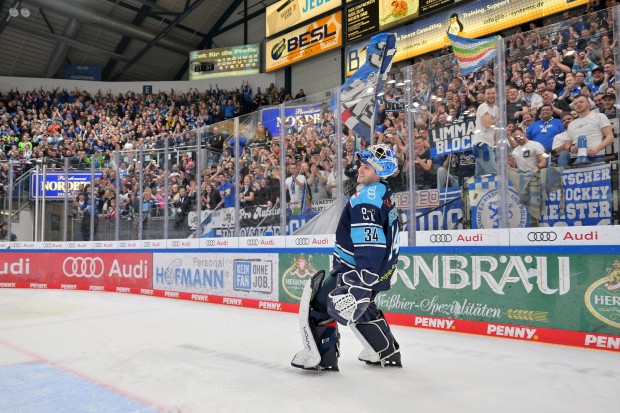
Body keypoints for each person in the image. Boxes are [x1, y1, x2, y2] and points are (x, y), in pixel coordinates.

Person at [291, 144, 402, 371]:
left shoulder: (367, 200)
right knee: (363, 308)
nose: (359, 170)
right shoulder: (382, 192)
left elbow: (370, 243)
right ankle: (386, 351)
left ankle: (323, 358)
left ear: (379, 171)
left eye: (366, 167)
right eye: (361, 166)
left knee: (319, 307)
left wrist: (362, 281)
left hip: (354, 270)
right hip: (374, 270)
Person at [567, 94, 614, 161]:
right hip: (576, 159)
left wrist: (596, 149)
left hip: (596, 156)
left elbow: (610, 136)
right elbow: (567, 143)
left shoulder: (599, 116)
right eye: (575, 103)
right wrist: (570, 148)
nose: (578, 104)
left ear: (588, 103)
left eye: (581, 102)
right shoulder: (571, 124)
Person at [472, 86, 498, 176]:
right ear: (485, 96)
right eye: (488, 94)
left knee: (480, 176)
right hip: (482, 145)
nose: (491, 95)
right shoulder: (483, 107)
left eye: (493, 93)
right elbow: (487, 124)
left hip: (487, 145)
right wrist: (499, 120)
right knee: (493, 173)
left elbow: (493, 130)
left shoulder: (495, 108)